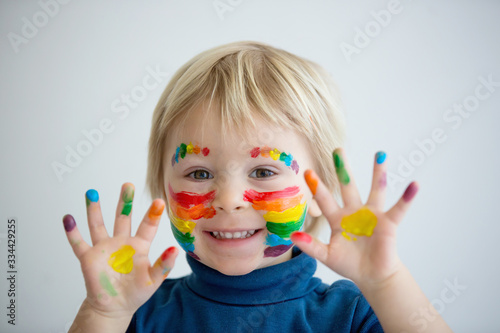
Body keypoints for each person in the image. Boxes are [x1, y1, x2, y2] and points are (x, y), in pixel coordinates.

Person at [62, 41, 452, 332]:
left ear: (320, 192)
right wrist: (102, 314)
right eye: (199, 173)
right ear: (162, 191)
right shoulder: (136, 315)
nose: (229, 201)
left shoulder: (352, 316)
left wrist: (385, 282)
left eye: (264, 172)